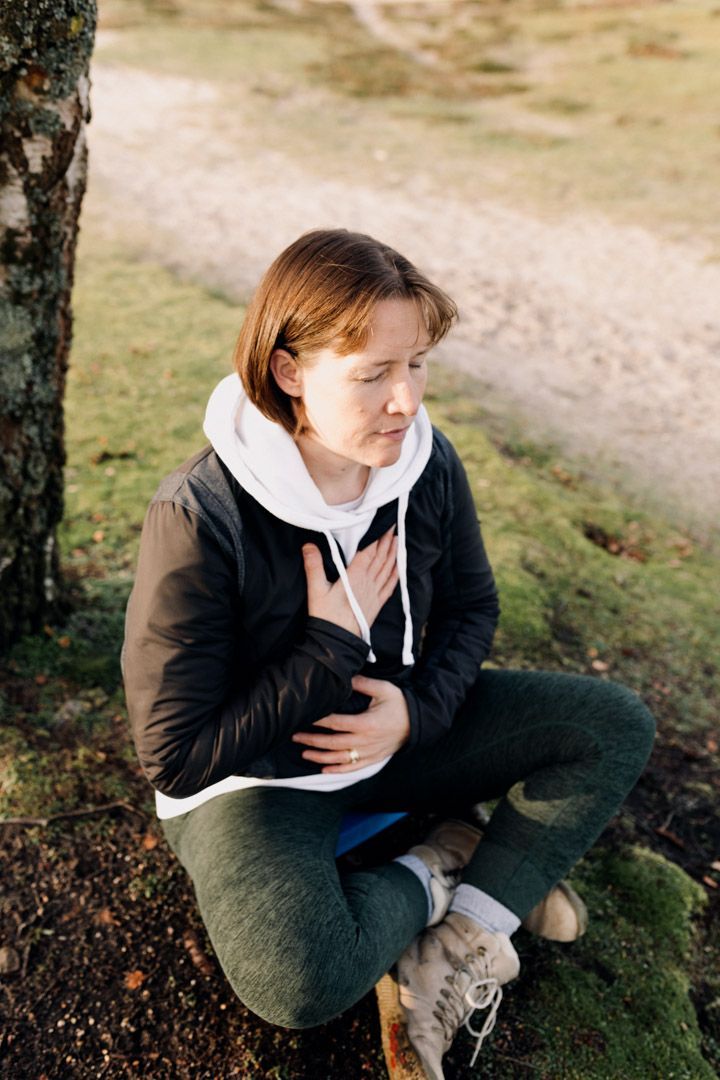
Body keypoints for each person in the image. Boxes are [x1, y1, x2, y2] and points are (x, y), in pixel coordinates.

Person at [122, 229, 656, 1079]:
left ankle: (461, 944)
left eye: (416, 365)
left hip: (405, 738)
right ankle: (441, 863)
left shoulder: (424, 460)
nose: (404, 401)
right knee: (296, 981)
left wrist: (414, 715)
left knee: (610, 724)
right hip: (267, 779)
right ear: (290, 371)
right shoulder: (201, 514)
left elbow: (474, 608)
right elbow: (174, 756)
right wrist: (328, 645)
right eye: (371, 375)